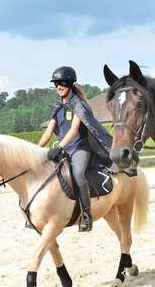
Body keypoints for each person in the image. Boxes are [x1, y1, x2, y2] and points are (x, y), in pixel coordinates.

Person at [39, 66, 112, 232]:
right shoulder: (57, 107)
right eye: (56, 83)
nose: (59, 86)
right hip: (63, 149)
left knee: (78, 173)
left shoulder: (79, 105)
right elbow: (48, 132)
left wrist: (60, 146)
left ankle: (86, 215)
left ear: (70, 83)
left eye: (62, 83)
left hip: (79, 148)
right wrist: (37, 149)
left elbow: (73, 130)